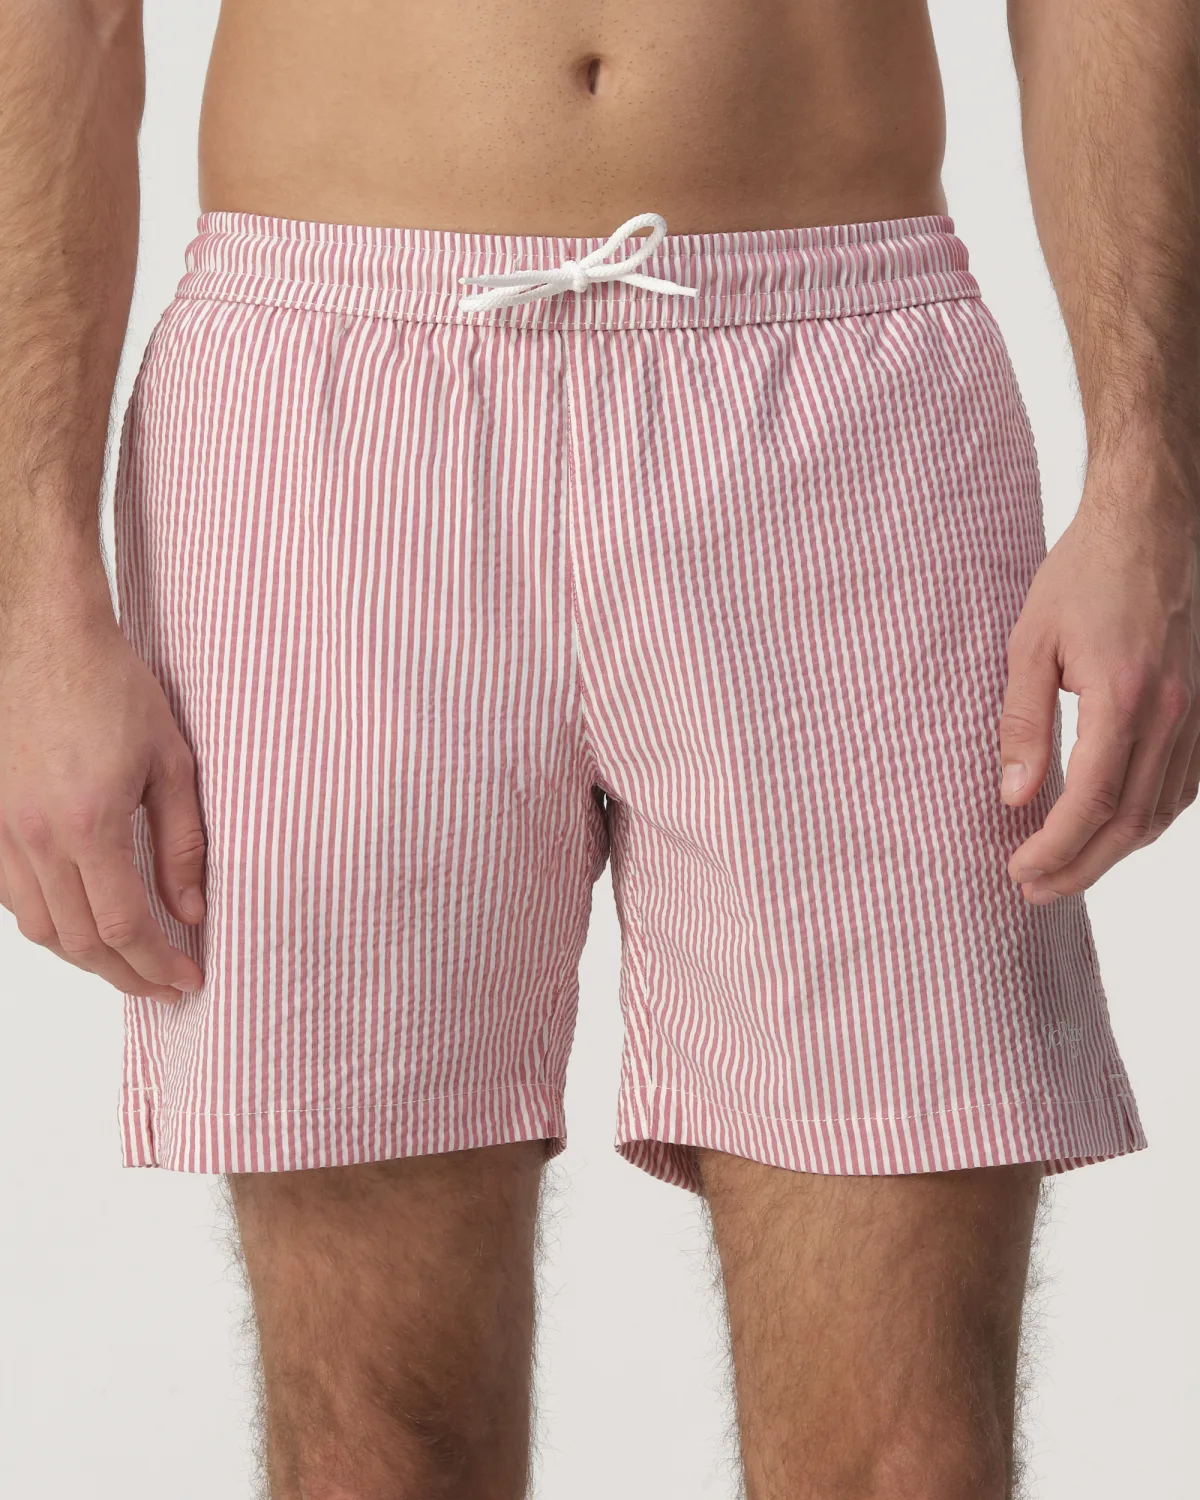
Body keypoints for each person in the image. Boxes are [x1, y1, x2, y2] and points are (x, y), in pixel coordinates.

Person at [0, 1, 1196, 1496]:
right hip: (326, 413)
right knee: (375, 1458)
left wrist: (1152, 482)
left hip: (843, 403)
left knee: (910, 1460)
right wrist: (34, 594)